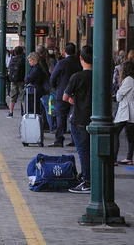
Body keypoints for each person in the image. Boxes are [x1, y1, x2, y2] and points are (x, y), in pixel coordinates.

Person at [64, 45, 93, 194]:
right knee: (94, 151)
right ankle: (92, 178)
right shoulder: (99, 76)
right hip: (96, 119)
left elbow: (65, 97)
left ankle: (87, 181)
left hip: (79, 118)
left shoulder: (77, 77)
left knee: (83, 152)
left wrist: (74, 100)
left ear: (80, 58)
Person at [48, 42, 82, 147]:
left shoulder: (61, 63)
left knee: (60, 117)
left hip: (62, 93)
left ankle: (59, 139)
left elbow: (53, 77)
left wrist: (54, 87)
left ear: (64, 51)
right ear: (75, 51)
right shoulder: (79, 62)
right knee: (74, 117)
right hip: (76, 93)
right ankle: (74, 139)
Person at [114, 60, 134, 166]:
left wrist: (118, 92)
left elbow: (119, 96)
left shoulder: (128, 80)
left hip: (126, 112)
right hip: (130, 112)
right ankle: (129, 158)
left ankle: (113, 158)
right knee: (130, 136)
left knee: (115, 132)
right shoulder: (132, 79)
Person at [7, 46, 25, 118]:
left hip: (13, 80)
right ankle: (24, 112)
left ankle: (10, 112)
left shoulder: (12, 59)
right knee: (23, 96)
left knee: (13, 96)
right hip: (22, 80)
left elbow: (8, 67)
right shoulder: (23, 60)